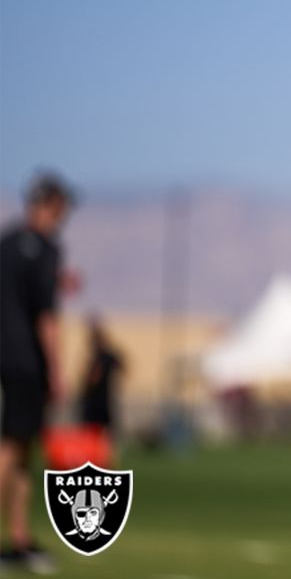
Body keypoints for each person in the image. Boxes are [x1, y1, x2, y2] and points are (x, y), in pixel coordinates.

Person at [0, 172, 75, 575]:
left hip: (4, 354)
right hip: (27, 360)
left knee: (23, 448)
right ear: (49, 204)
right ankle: (15, 538)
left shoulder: (7, 244)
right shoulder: (45, 249)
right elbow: (46, 318)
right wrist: (57, 369)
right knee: (12, 448)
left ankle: (19, 539)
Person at [79, 314, 125, 434]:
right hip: (93, 401)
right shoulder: (93, 356)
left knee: (101, 429)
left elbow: (93, 379)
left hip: (101, 400)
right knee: (92, 430)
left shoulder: (104, 356)